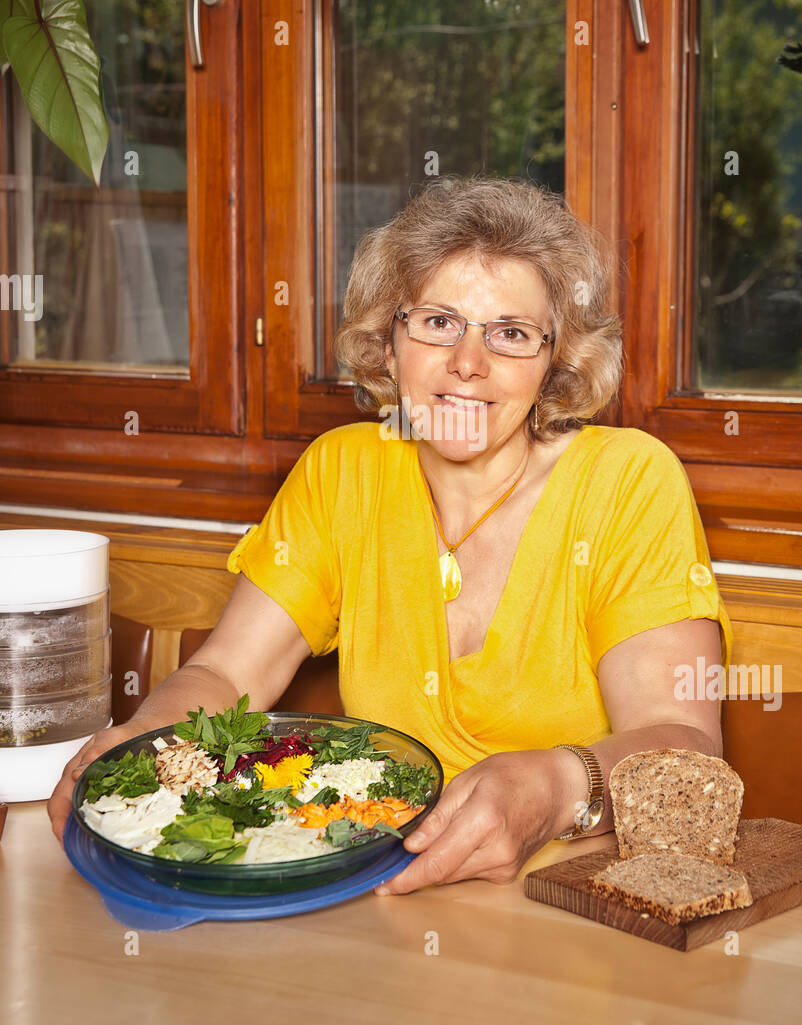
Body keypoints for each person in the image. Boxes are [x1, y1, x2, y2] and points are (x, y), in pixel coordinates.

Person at [49, 176, 732, 896]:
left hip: (573, 908)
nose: (469, 363)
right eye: (438, 322)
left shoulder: (627, 483)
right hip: (377, 897)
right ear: (389, 339)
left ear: (555, 360)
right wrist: (148, 740)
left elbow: (686, 751)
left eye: (510, 333)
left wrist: (556, 785)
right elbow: (226, 675)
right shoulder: (344, 470)